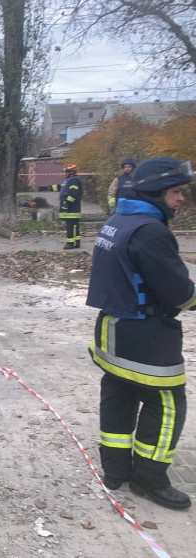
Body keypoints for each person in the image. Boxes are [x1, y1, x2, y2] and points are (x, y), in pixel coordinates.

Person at [86, 156, 195, 510]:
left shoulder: (118, 221)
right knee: (166, 405)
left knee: (118, 393)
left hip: (113, 330)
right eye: (176, 191)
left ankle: (115, 470)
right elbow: (179, 292)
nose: (181, 199)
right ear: (156, 191)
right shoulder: (152, 232)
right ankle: (149, 479)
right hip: (146, 337)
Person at [40, 163, 83, 249]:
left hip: (72, 208)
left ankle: (70, 243)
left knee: (71, 226)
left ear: (72, 171)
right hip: (71, 207)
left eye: (67, 171)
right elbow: (61, 187)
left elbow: (73, 194)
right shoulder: (69, 180)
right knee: (74, 226)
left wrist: (67, 203)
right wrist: (48, 188)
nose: (65, 173)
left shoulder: (74, 180)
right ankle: (76, 242)